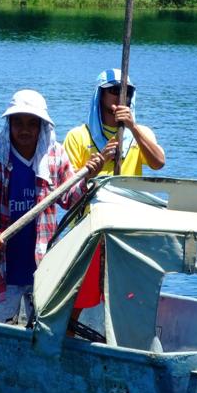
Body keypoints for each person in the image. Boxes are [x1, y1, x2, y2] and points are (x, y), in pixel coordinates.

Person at [0, 89, 105, 323]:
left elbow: (71, 199)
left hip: (42, 270)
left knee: (41, 332)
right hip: (1, 271)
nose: (24, 130)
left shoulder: (55, 158)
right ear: (8, 124)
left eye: (32, 123)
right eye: (18, 122)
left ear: (42, 126)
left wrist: (88, 179)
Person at [63, 68, 165, 314]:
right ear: (99, 96)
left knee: (123, 300)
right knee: (77, 300)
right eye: (113, 91)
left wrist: (132, 126)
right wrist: (95, 165)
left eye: (126, 91)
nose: (121, 97)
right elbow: (65, 190)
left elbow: (158, 162)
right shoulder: (79, 136)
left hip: (125, 230)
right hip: (88, 230)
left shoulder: (139, 135)